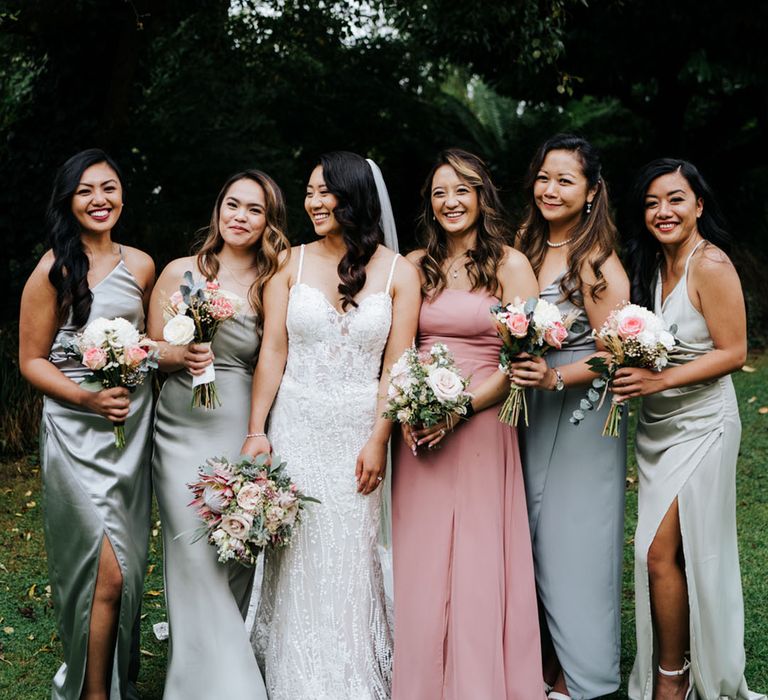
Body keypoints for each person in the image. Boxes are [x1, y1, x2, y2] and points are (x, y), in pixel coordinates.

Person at [245, 151, 421, 699]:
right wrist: (258, 431)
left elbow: (398, 365)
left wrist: (378, 438)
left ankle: (351, 676)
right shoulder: (288, 262)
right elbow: (273, 349)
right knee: (297, 547)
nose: (314, 202)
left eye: (326, 192)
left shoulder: (399, 272)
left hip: (357, 432)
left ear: (354, 197)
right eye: (310, 192)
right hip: (296, 423)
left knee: (352, 551)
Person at [392, 148, 544, 700]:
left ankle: (480, 682)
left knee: (479, 556)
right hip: (420, 427)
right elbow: (398, 347)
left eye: (461, 190)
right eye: (439, 192)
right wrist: (411, 408)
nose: (450, 201)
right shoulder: (413, 264)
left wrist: (461, 409)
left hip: (482, 421)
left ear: (482, 196)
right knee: (422, 556)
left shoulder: (510, 263)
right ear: (429, 204)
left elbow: (519, 360)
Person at [613, 159, 765, 700]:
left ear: (699, 205)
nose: (663, 211)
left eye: (676, 199)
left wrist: (659, 381)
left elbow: (735, 352)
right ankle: (676, 665)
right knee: (665, 554)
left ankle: (671, 678)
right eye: (653, 202)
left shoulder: (712, 265)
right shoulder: (651, 265)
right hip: (657, 430)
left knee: (657, 553)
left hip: (704, 426)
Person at [19, 149, 155, 700]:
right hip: (75, 431)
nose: (100, 200)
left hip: (131, 429)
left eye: (109, 187)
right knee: (105, 572)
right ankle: (93, 693)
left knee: (127, 571)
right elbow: (31, 361)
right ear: (69, 201)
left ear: (123, 193)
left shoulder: (143, 265)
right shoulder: (54, 269)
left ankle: (106, 682)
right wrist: (85, 397)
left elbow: (150, 345)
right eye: (85, 191)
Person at [148, 170, 289, 699]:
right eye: (233, 204)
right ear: (218, 209)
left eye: (254, 210)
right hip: (180, 426)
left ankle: (205, 674)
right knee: (192, 552)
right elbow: (150, 349)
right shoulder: (180, 271)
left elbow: (276, 354)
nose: (240, 217)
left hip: (240, 426)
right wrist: (178, 353)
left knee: (232, 554)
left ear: (267, 220)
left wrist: (259, 430)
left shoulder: (272, 279)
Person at [512, 134, 630, 700]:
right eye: (543, 177)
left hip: (579, 409)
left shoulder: (597, 260)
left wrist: (557, 376)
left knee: (573, 538)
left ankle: (583, 676)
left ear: (590, 193)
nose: (550, 189)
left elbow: (618, 349)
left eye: (565, 180)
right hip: (527, 407)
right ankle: (539, 663)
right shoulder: (522, 248)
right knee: (527, 535)